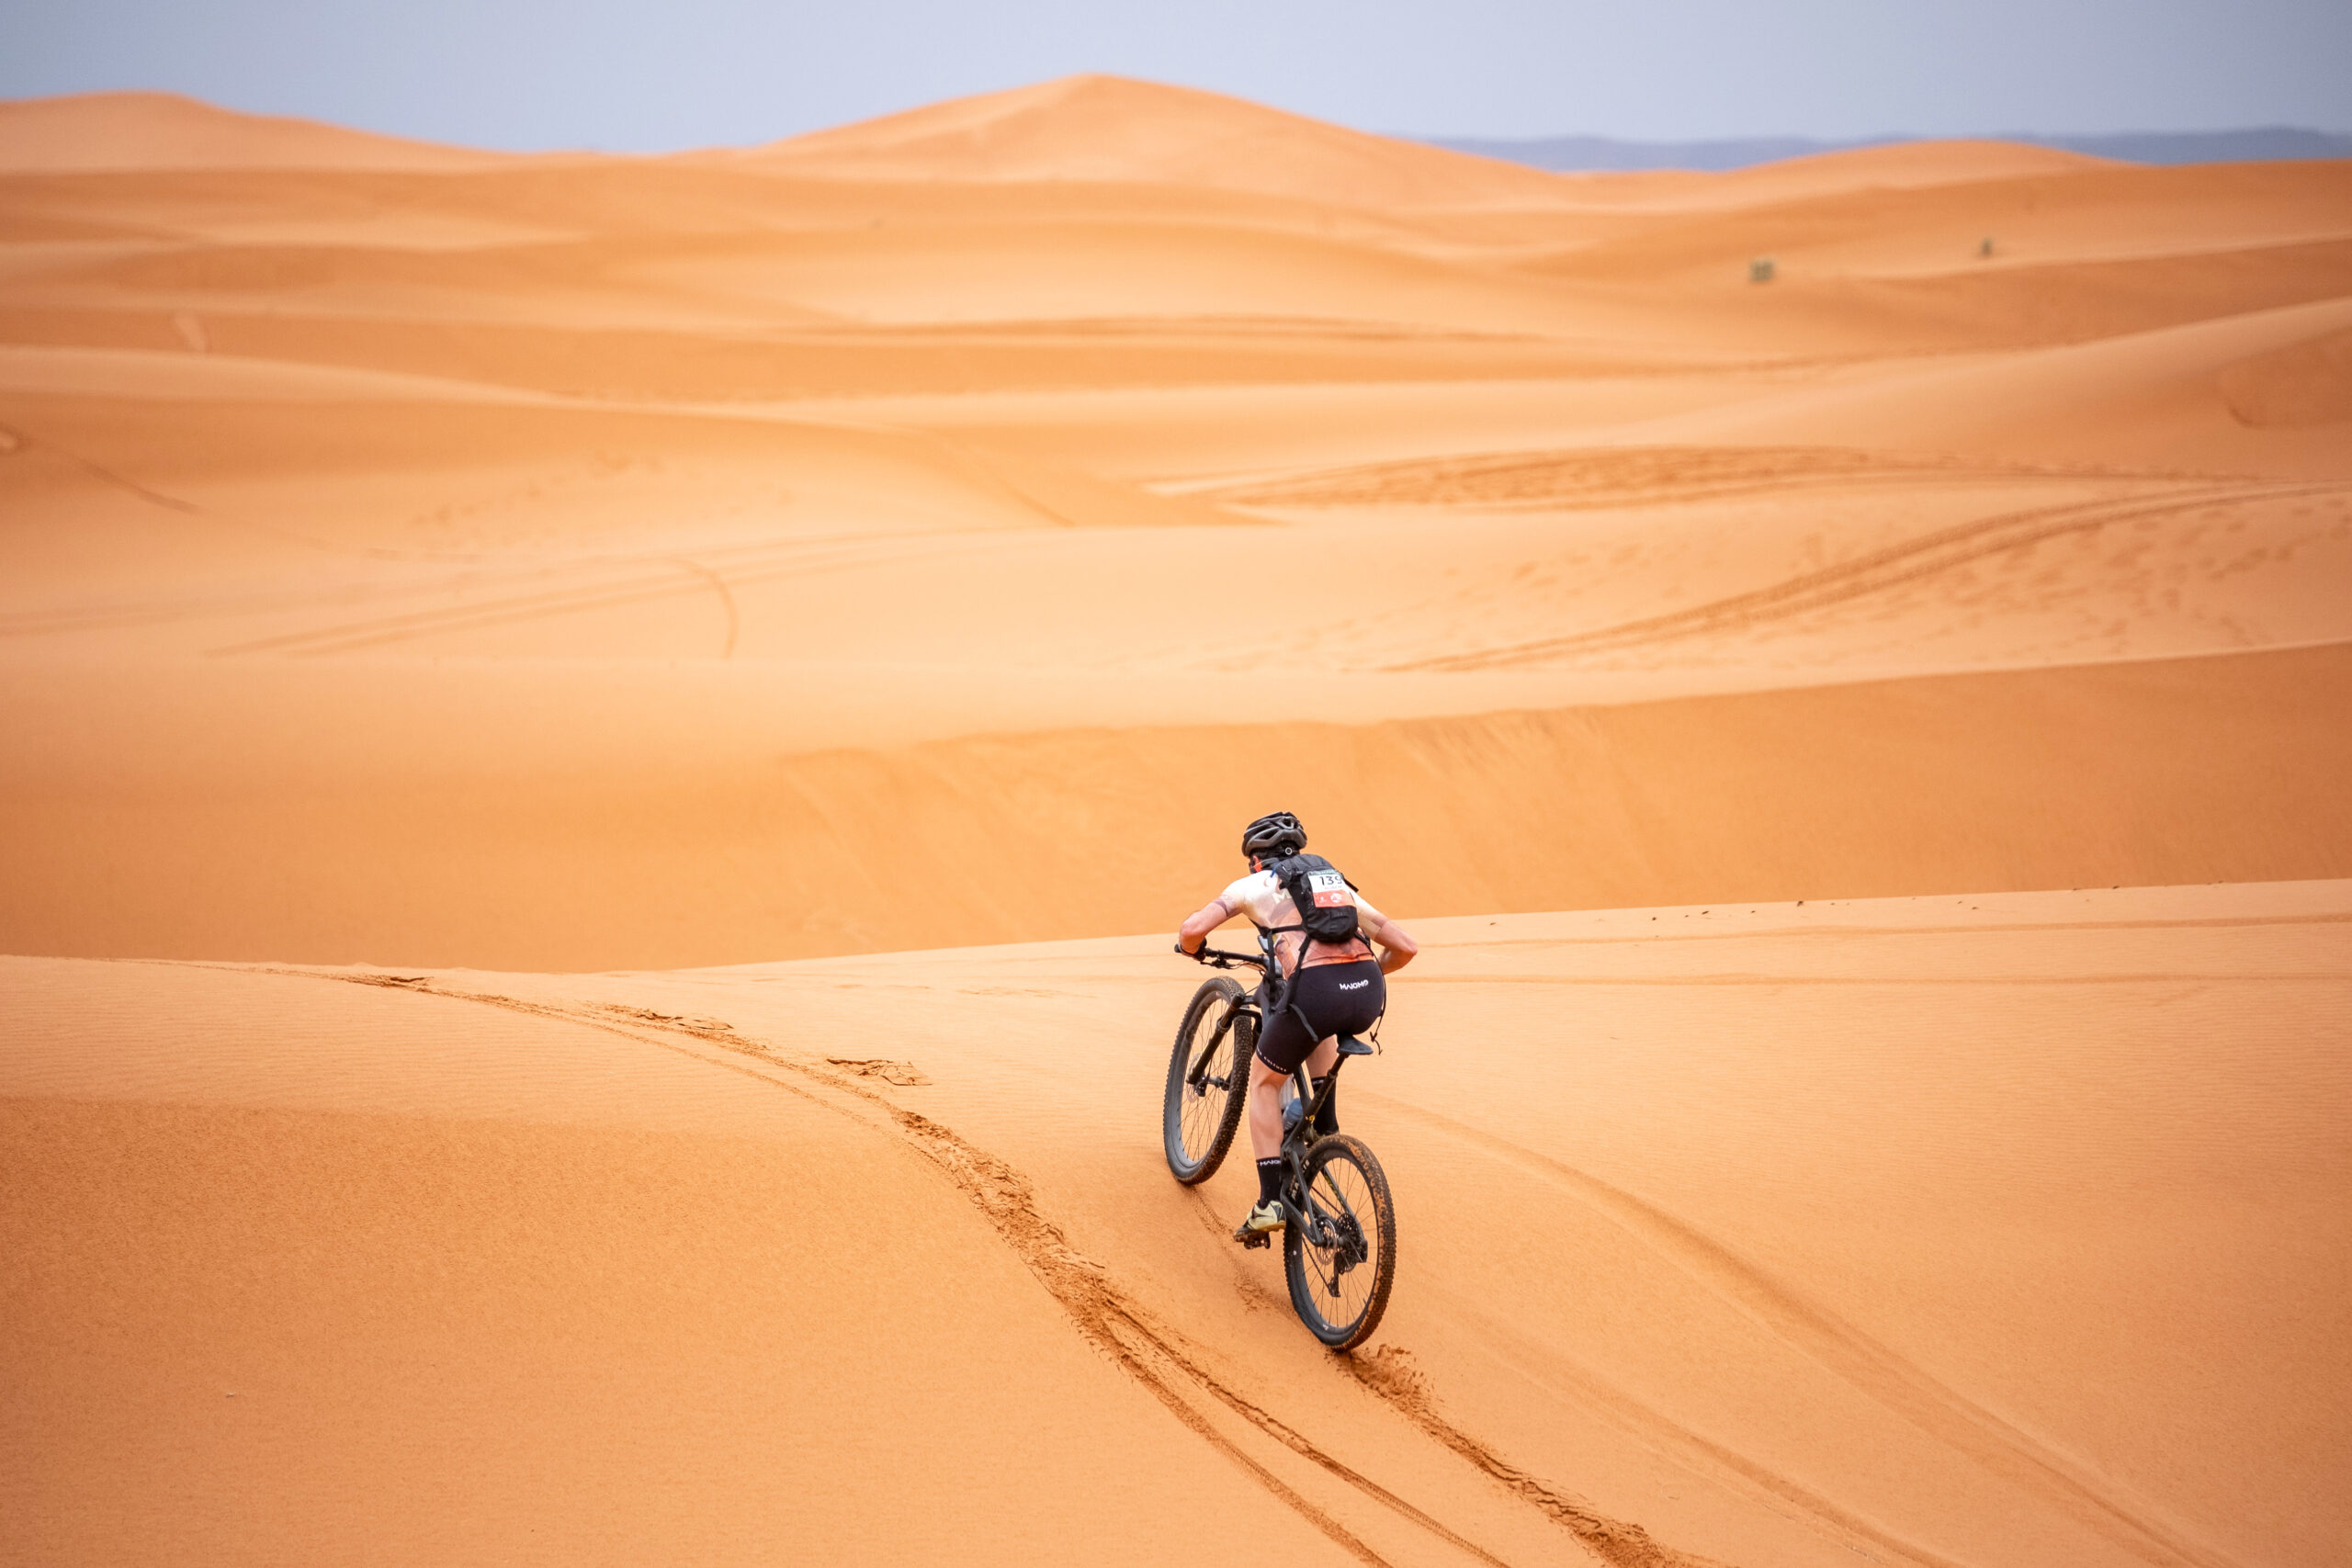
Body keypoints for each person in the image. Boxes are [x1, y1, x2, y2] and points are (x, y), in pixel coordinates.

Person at [1175, 811, 1418, 1234]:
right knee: (1316, 1023)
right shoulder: (1334, 886)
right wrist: (1361, 976)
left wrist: (1192, 948)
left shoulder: (1252, 885)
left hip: (1313, 994)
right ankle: (1325, 1129)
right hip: (1367, 994)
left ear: (1256, 859)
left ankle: (1269, 1203)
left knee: (1263, 1083)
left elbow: (1191, 929)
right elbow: (1406, 948)